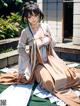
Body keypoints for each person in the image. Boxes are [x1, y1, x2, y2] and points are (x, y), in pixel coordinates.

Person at [0, 1, 80, 106]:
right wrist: (27, 62)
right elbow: (20, 48)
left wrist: (49, 39)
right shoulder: (26, 32)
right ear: (26, 18)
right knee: (48, 83)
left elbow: (54, 43)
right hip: (36, 64)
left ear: (39, 15)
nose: (33, 18)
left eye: (35, 15)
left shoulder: (45, 26)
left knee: (68, 76)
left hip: (49, 59)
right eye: (30, 16)